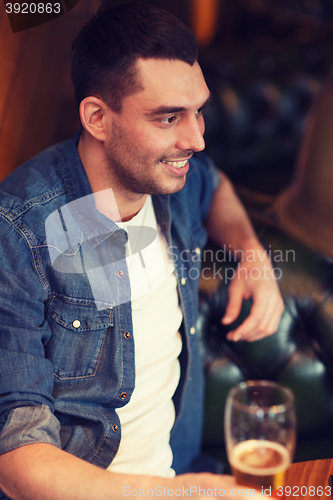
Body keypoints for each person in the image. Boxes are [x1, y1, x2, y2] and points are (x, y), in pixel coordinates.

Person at [0, 3, 283, 499]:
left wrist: (251, 253)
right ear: (97, 117)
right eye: (169, 117)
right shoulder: (19, 231)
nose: (195, 139)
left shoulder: (173, 179)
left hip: (188, 471)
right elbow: (16, 457)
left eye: (199, 111)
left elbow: (215, 186)